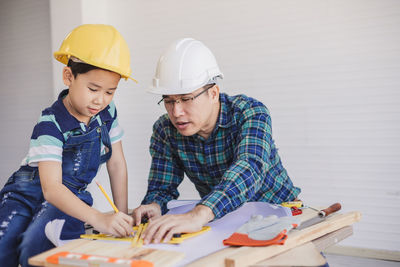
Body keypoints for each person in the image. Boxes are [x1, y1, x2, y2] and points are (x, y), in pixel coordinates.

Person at [132, 38, 301, 245]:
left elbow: (249, 167)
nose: (176, 112)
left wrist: (199, 214)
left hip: (279, 213)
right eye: (168, 101)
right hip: (226, 219)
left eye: (186, 99)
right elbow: (162, 186)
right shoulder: (165, 130)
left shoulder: (250, 113)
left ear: (213, 93)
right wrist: (154, 205)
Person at [0, 24, 136, 267]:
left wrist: (120, 215)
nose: (100, 100)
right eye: (93, 89)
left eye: (109, 92)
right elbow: (51, 188)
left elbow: (116, 163)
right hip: (26, 194)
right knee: (3, 242)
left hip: (71, 195)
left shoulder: (107, 114)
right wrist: (98, 219)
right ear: (68, 76)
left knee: (35, 245)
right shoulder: (50, 124)